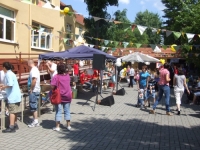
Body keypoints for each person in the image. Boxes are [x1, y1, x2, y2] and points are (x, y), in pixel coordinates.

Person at [1, 62, 21, 133]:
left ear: (4, 67)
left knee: (12, 112)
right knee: (15, 111)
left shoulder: (8, 74)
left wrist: (3, 87)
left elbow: (10, 84)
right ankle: (15, 124)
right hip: (16, 96)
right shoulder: (12, 73)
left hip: (12, 96)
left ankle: (11, 126)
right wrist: (4, 86)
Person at [51, 63, 72, 131]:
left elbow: (52, 86)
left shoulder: (56, 77)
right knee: (67, 111)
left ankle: (57, 127)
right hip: (67, 95)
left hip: (59, 97)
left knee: (58, 111)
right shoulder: (68, 76)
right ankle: (68, 125)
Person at [27, 60, 40, 127]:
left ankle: (36, 121)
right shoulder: (35, 69)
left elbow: (34, 80)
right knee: (34, 105)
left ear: (29, 64)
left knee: (33, 105)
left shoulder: (33, 70)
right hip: (35, 90)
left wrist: (31, 89)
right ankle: (35, 119)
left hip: (34, 90)